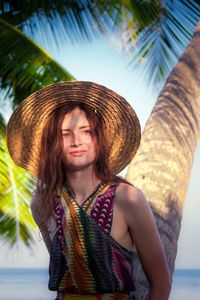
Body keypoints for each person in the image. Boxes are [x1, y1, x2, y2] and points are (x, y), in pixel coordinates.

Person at [6, 81, 171, 300]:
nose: (76, 141)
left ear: (99, 139)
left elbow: (161, 286)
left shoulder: (127, 198)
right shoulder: (42, 203)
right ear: (52, 143)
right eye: (65, 134)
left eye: (86, 131)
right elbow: (69, 276)